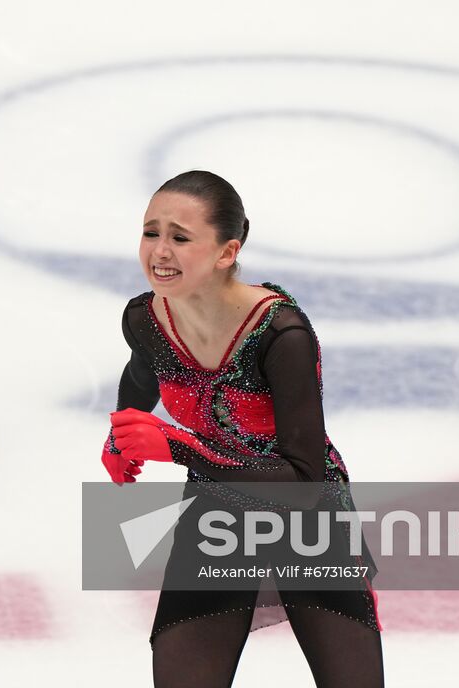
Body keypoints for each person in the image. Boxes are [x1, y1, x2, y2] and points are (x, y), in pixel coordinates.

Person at [101, 170, 385, 687]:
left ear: (226, 252)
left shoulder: (281, 334)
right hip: (219, 513)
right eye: (151, 232)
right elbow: (142, 374)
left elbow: (304, 480)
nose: (159, 251)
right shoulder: (146, 319)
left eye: (180, 238)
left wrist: (179, 448)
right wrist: (119, 435)